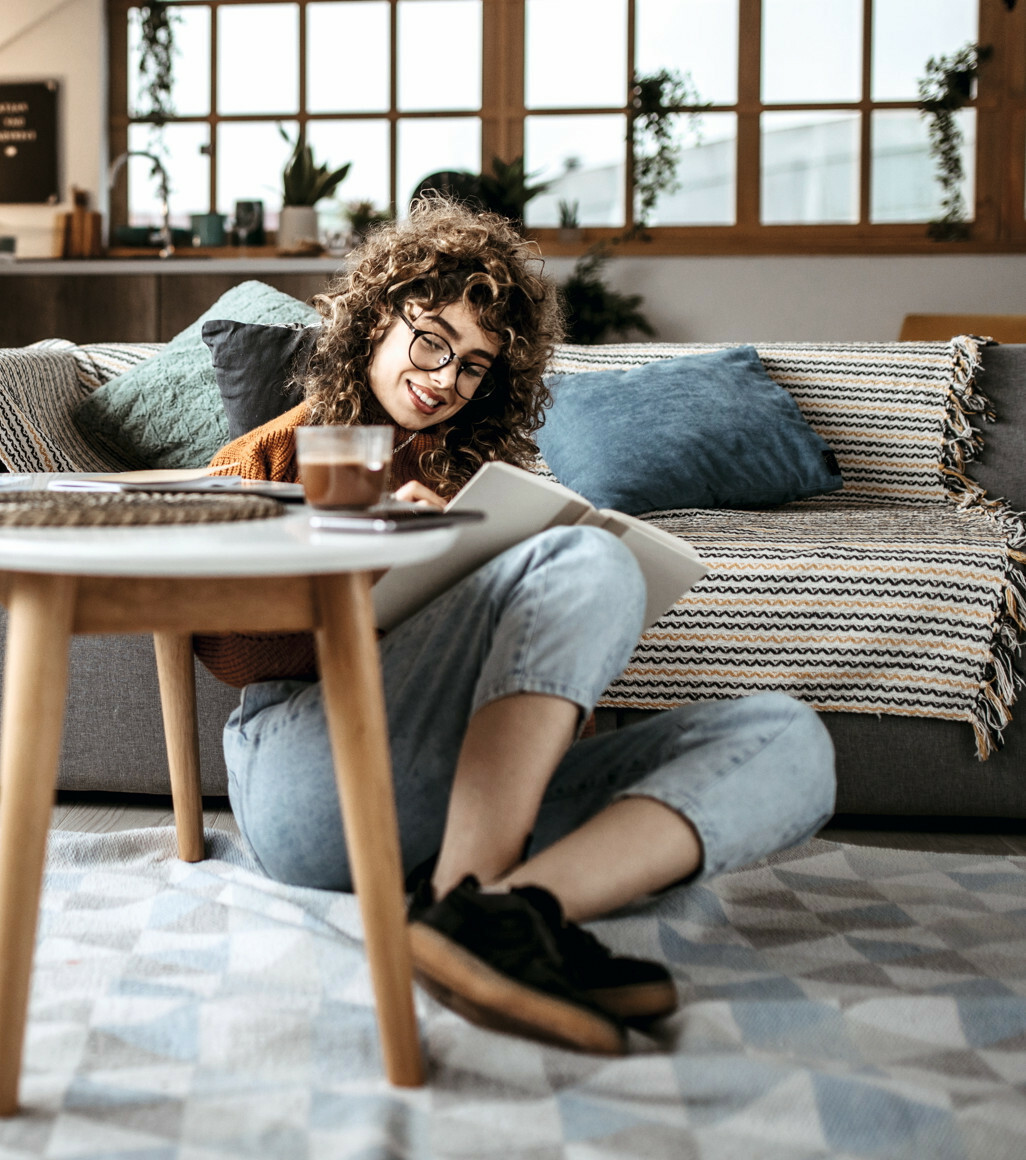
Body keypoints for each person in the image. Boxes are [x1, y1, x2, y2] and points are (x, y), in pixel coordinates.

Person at [202, 198, 835, 1055]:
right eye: (432, 341)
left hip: (448, 800)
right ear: (377, 320)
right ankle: (475, 901)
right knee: (590, 557)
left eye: (473, 367)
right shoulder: (277, 452)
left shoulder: (475, 475)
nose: (445, 378)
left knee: (789, 741)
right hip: (308, 780)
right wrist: (364, 560)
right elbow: (224, 650)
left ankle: (504, 914)